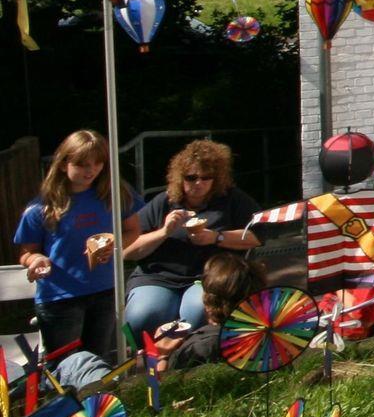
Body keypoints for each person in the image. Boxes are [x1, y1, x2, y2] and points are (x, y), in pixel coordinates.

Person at [251, 131, 374, 335]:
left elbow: (358, 312)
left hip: (342, 327)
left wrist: (334, 283)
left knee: (268, 323)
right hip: (332, 312)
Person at [13, 130, 132, 369]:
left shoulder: (113, 195)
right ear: (63, 163)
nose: (91, 170)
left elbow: (132, 230)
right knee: (64, 369)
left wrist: (114, 247)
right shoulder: (41, 207)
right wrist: (36, 260)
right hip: (60, 297)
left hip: (105, 291)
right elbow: (26, 252)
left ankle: (97, 395)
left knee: (98, 365)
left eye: (98, 163)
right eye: (82, 164)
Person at [122, 138, 259, 337]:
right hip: (158, 277)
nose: (199, 183)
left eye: (206, 177)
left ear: (217, 178)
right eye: (191, 177)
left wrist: (216, 237)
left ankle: (193, 352)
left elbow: (256, 236)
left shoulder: (231, 199)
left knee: (197, 312)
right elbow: (127, 250)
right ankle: (149, 353)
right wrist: (164, 232)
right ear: (180, 178)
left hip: (207, 278)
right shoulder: (165, 202)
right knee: (142, 316)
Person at [149, 253, 268, 372]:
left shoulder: (200, 348)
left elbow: (162, 382)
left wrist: (162, 356)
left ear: (208, 303)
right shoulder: (271, 335)